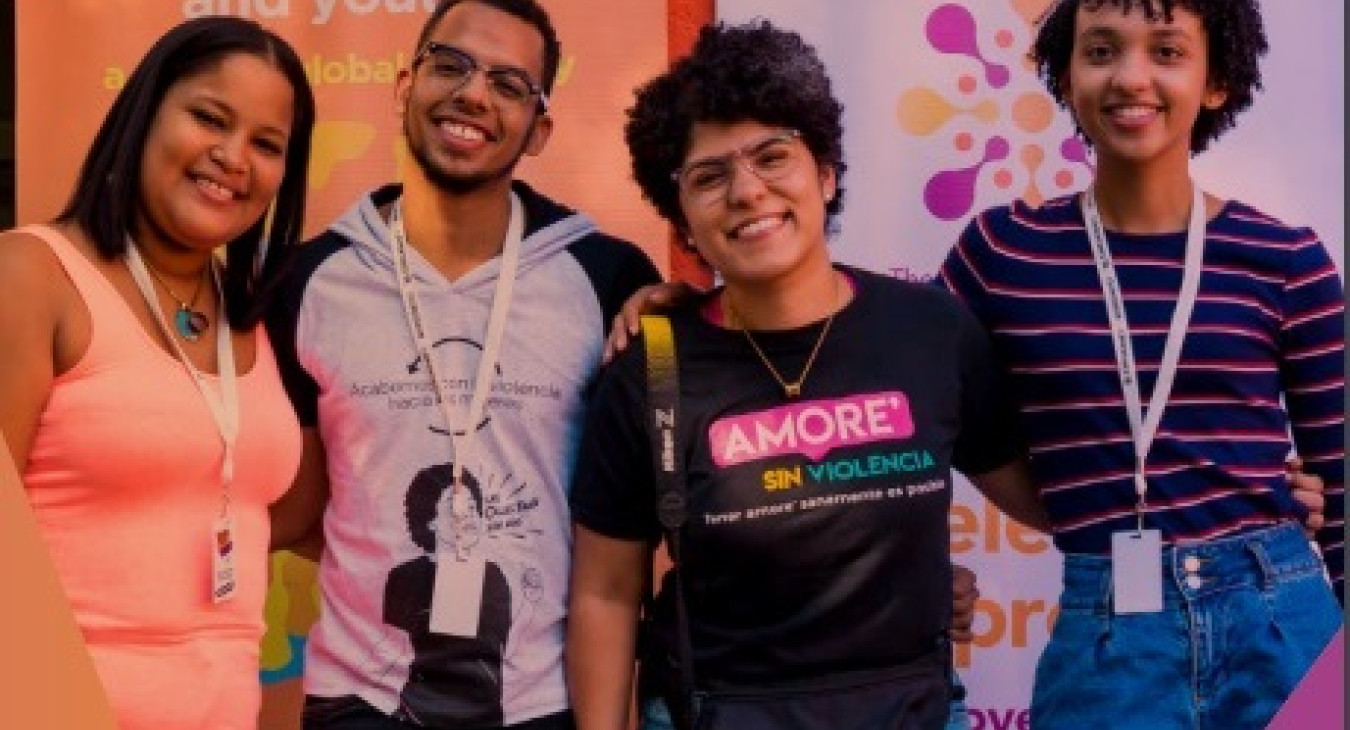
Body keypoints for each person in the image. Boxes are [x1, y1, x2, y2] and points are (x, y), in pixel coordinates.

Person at [566, 21, 1049, 730]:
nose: (747, 191)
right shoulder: (650, 373)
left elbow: (1050, 497)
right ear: (682, 223)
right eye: (709, 177)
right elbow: (606, 594)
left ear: (825, 171)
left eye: (772, 156)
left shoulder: (931, 331)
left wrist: (1250, 474)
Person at [937, 1, 1344, 728]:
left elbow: (1340, 483)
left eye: (1166, 52)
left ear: (1215, 80)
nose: (1131, 77)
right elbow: (900, 396)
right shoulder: (1002, 254)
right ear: (1065, 74)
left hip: (1282, 618)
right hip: (1110, 634)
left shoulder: (1285, 259)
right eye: (1101, 51)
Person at [264, 1, 661, 728]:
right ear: (402, 85)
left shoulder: (607, 278)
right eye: (451, 65)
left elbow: (634, 509)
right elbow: (301, 501)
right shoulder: (307, 281)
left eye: (510, 85)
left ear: (539, 129)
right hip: (361, 701)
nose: (474, 94)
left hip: (542, 702)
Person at [0, 15, 315, 730]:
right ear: (144, 114)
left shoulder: (256, 316)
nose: (235, 157)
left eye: (267, 145)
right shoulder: (31, 276)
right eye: (210, 118)